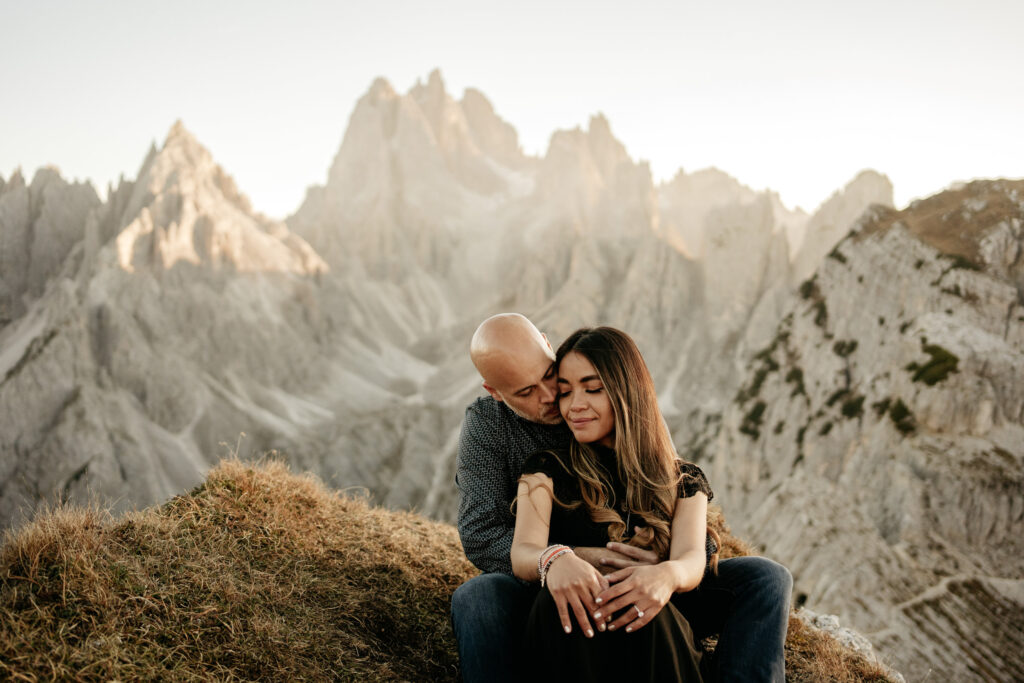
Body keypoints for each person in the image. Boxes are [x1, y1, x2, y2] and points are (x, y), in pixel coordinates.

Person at [451, 314, 792, 682]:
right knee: (478, 597)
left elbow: (672, 497)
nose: (553, 399)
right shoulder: (501, 434)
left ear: (549, 347)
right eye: (525, 392)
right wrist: (568, 558)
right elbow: (482, 534)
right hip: (555, 587)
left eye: (552, 379)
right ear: (495, 392)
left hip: (651, 578)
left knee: (765, 578)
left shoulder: (598, 387)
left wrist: (661, 560)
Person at [511, 326, 711, 681]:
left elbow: (692, 558)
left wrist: (665, 576)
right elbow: (524, 550)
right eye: (565, 392)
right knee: (554, 601)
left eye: (593, 389)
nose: (575, 405)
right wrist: (556, 559)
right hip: (568, 635)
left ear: (626, 390)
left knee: (651, 608)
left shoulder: (684, 479)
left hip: (651, 636)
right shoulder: (546, 469)